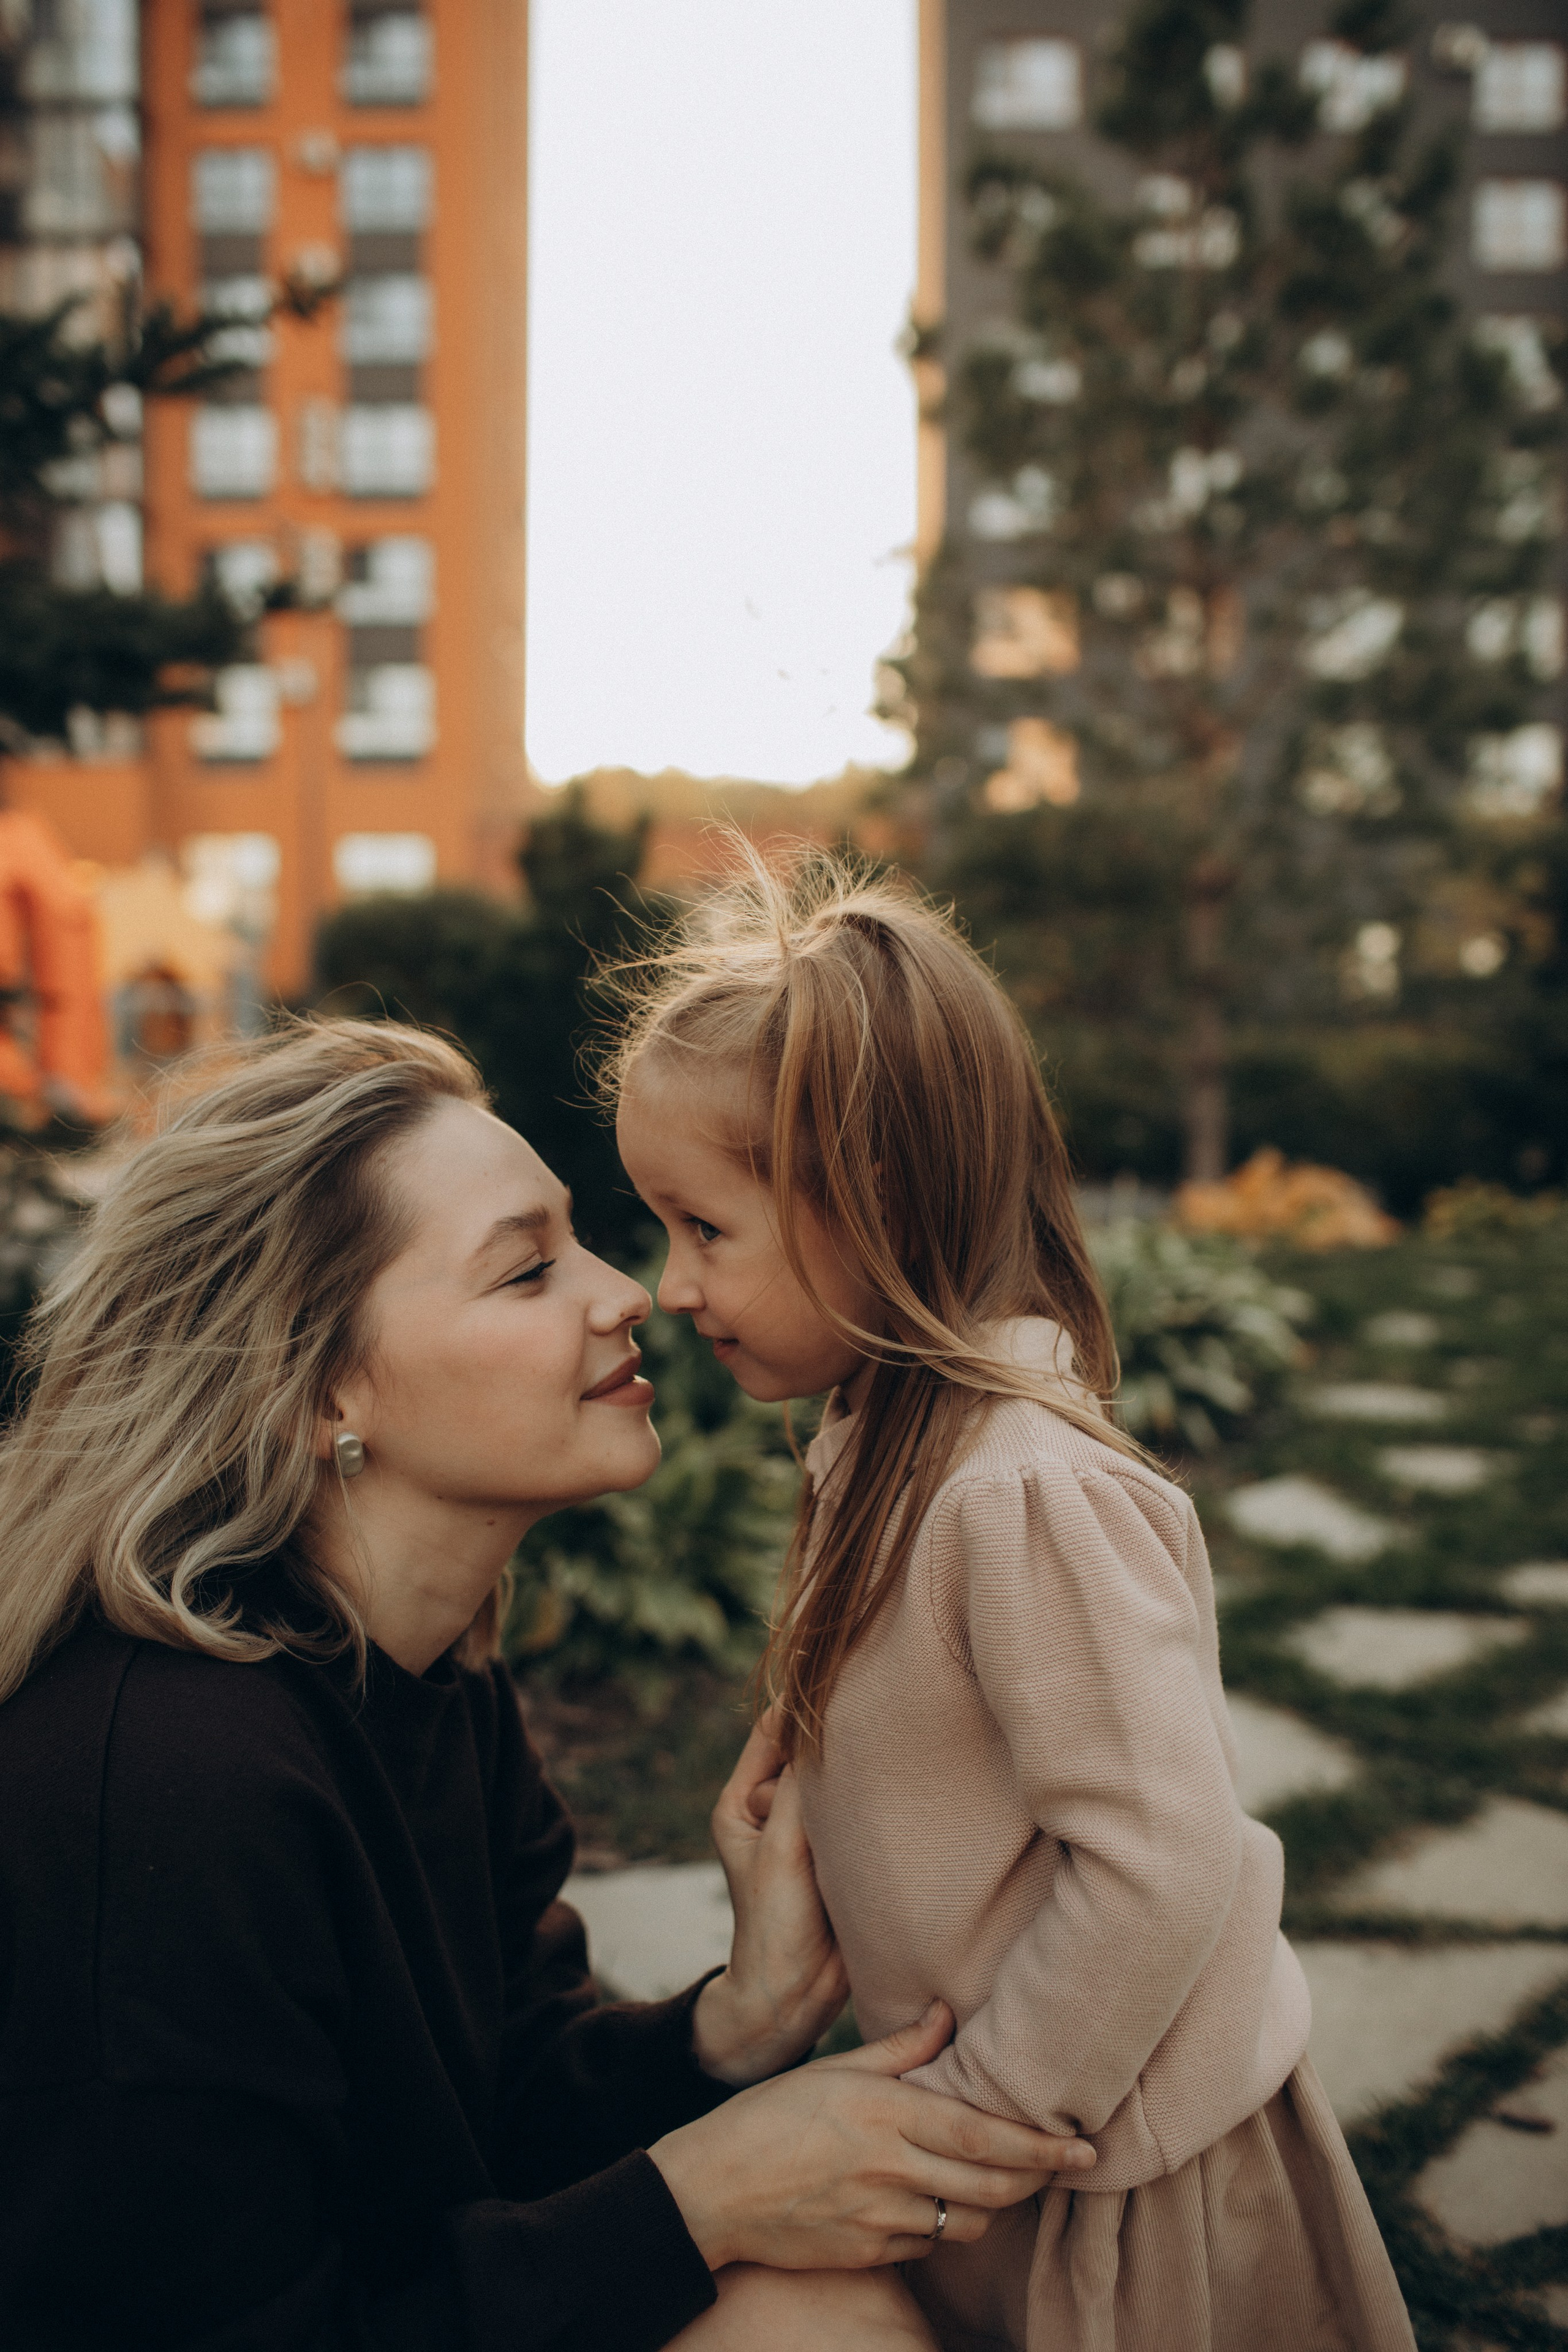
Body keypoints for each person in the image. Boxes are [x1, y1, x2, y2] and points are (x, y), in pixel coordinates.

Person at [0, 1019, 1096, 2352]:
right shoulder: (162, 1791)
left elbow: (494, 2113)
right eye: (526, 1271)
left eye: (580, 1241)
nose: (627, 1292)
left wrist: (731, 2030)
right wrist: (699, 2200)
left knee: (830, 2301)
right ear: (319, 1389)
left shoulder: (422, 1680)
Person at [611, 846, 1419, 2352]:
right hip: (1009, 2137)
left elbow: (1160, 1853)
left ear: (875, 1204)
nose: (669, 1284)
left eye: (704, 1229)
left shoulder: (1018, 1491)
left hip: (1106, 2165)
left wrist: (976, 2118)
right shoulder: (879, 1439)